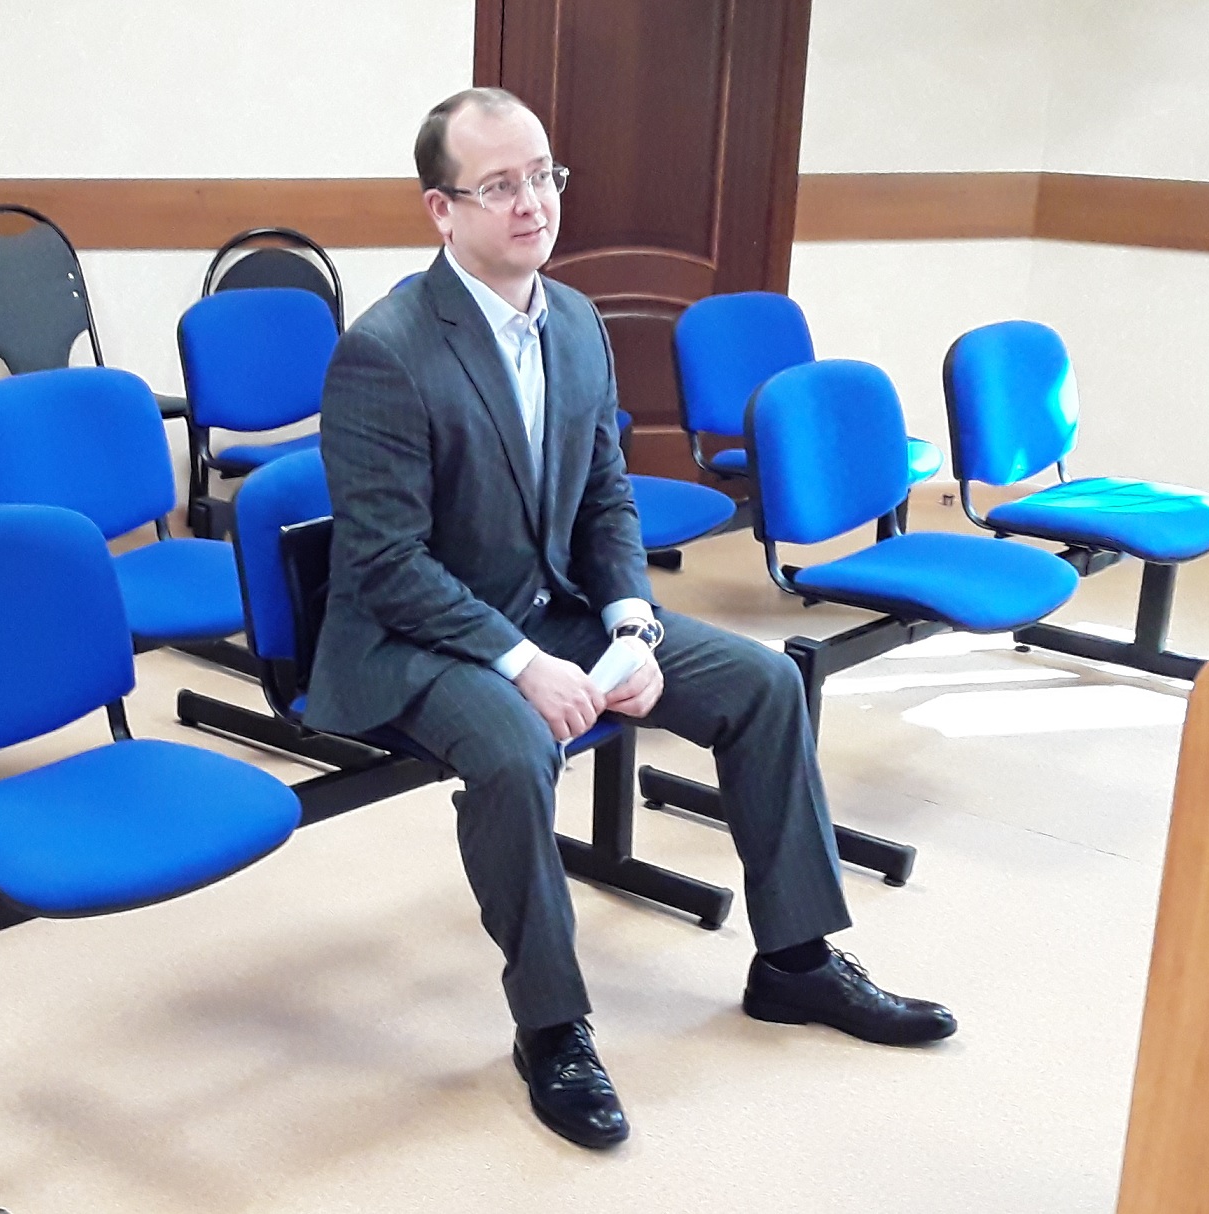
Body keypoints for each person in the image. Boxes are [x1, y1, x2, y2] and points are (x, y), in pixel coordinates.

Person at [306, 87, 957, 1150]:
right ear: (441, 211)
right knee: (514, 748)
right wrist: (522, 663)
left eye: (542, 175)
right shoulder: (386, 349)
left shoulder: (572, 319)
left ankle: (794, 961)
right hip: (415, 637)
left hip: (550, 608)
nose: (532, 203)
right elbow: (385, 565)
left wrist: (628, 622)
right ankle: (552, 1028)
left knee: (762, 683)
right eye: (498, 185)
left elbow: (605, 493)